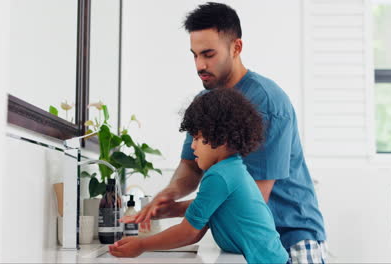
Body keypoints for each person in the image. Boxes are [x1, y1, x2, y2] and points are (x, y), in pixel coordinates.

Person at [118, 2, 327, 263]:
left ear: (236, 48)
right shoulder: (208, 102)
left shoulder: (267, 103)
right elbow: (192, 167)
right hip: (247, 243)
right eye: (194, 55)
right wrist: (168, 195)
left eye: (208, 54)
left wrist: (174, 213)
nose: (199, 65)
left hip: (290, 235)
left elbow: (254, 197)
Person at [110, 88, 289, 263]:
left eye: (197, 138)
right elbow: (199, 213)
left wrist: (141, 245)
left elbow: (189, 233)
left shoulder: (219, 176)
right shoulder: (231, 169)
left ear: (221, 137)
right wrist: (153, 213)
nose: (192, 146)